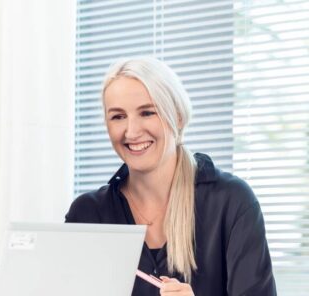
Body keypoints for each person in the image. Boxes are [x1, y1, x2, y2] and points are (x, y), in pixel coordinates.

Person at [65, 57, 276, 295]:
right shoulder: (87, 214)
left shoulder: (231, 201)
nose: (132, 131)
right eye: (118, 116)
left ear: (177, 116)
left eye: (147, 112)